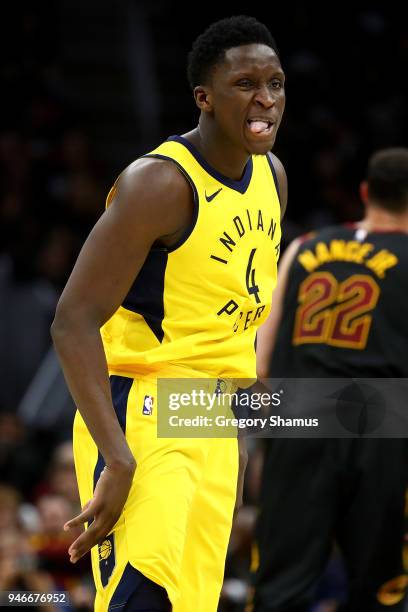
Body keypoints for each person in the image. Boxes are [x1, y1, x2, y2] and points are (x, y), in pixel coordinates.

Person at [51, 15, 287, 612]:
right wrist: (119, 457)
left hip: (214, 418)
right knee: (141, 600)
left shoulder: (273, 178)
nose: (266, 99)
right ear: (203, 98)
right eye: (245, 85)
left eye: (276, 83)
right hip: (147, 412)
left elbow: (231, 310)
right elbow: (73, 320)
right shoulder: (159, 184)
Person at [252, 148, 408, 612]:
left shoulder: (303, 248)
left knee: (281, 586)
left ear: (365, 193)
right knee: (381, 587)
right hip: (382, 423)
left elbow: (260, 361)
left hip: (297, 417)